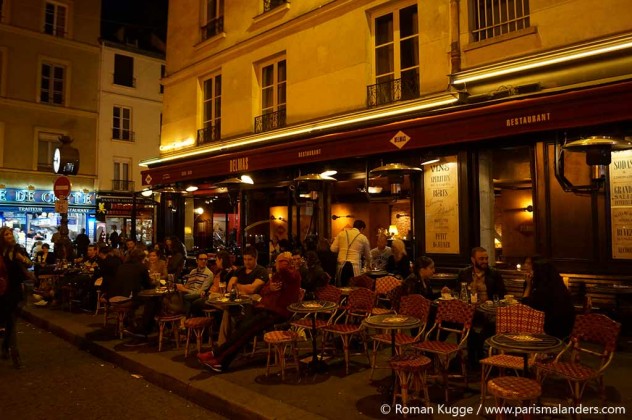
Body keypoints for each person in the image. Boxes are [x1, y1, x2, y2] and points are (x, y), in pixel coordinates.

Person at [197, 252, 301, 372]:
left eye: (277, 262)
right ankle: (218, 358)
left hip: (278, 313)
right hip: (266, 309)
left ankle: (217, 357)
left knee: (246, 330)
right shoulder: (278, 276)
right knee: (244, 329)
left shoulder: (292, 275)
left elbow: (284, 269)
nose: (276, 265)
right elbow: (263, 291)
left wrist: (286, 257)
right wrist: (270, 288)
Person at [0, 226, 32, 368]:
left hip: (16, 291)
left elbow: (30, 263)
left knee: (11, 321)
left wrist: (22, 259)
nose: (10, 236)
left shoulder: (17, 249)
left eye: (10, 234)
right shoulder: (1, 252)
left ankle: (14, 354)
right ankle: (6, 347)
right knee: (9, 321)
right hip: (3, 290)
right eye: (6, 235)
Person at [522, 258, 575, 339]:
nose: (531, 273)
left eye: (533, 271)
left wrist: (528, 285)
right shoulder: (558, 286)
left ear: (539, 273)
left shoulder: (543, 290)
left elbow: (525, 308)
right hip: (565, 333)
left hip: (550, 335)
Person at [330, 219, 371, 287]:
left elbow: (333, 249)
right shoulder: (363, 238)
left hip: (341, 265)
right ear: (362, 228)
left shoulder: (341, 234)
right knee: (354, 289)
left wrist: (342, 249)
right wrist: (369, 265)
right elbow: (368, 255)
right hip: (354, 267)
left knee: (341, 288)